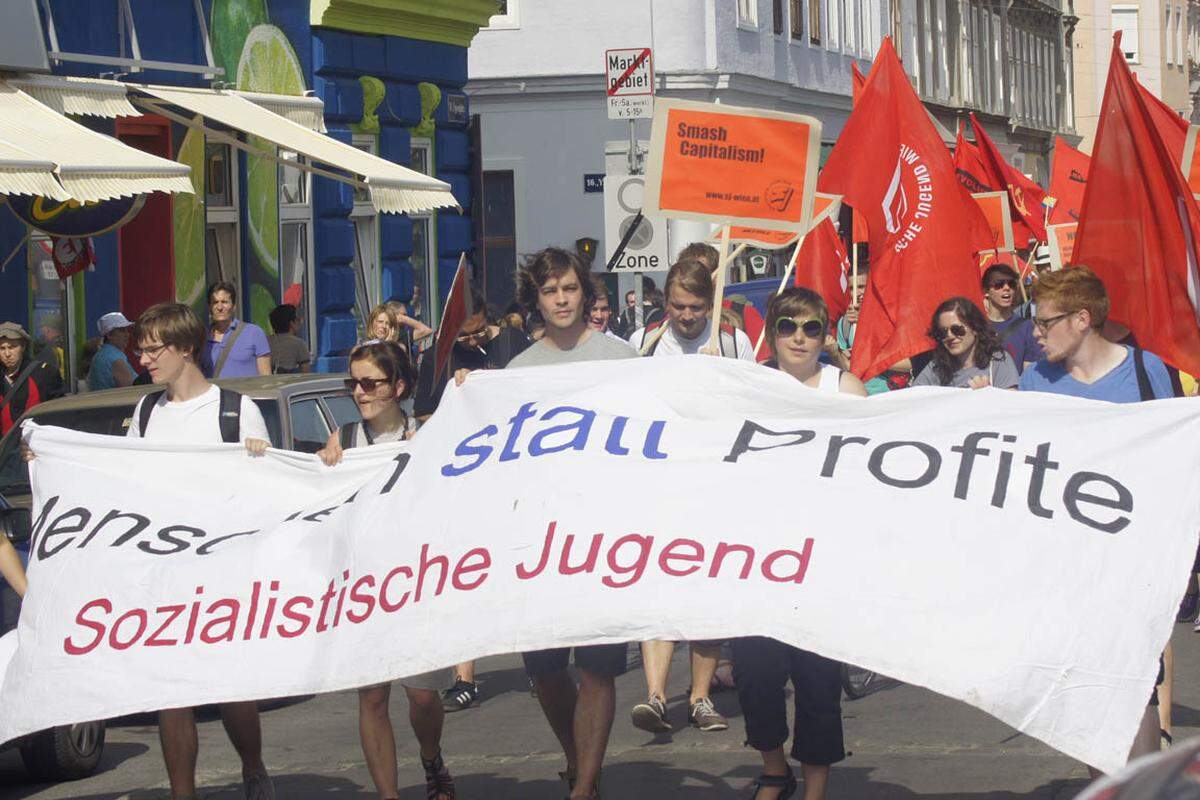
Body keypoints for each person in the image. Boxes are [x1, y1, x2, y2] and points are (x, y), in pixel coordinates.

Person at [23, 302, 276, 799]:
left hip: (221, 572)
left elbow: (267, 492)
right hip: (163, 571)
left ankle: (253, 768)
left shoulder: (233, 410)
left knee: (230, 692)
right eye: (140, 349)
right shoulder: (145, 411)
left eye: (153, 348)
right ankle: (183, 792)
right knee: (169, 692)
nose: (144, 359)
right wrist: (52, 458)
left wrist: (257, 463)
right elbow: (124, 481)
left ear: (185, 347)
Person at [1018, 265, 1172, 765]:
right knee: (1088, 696)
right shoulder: (1033, 383)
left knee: (1136, 688)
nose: (1035, 334)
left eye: (1044, 322)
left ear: (1082, 319)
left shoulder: (1152, 373)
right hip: (1066, 567)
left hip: (1135, 562)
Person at [504, 248, 635, 800]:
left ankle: (585, 783)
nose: (561, 300)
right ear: (535, 300)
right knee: (545, 671)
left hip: (605, 539)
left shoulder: (622, 359)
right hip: (542, 544)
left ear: (586, 294)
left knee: (599, 668)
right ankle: (576, 755)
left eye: (570, 289)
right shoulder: (514, 373)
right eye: (550, 291)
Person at [315, 341, 456, 800]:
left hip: (416, 585)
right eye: (353, 382)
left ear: (397, 387)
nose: (359, 391)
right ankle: (388, 794)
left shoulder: (427, 434)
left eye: (370, 382)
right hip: (362, 587)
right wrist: (319, 465)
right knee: (372, 696)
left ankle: (431, 757)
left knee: (421, 696)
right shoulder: (346, 440)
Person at [735, 286, 861, 800]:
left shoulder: (845, 386)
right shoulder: (747, 383)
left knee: (818, 681)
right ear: (771, 332)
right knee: (755, 673)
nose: (799, 338)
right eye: (787, 326)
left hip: (824, 556)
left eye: (811, 327)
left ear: (825, 333)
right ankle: (773, 767)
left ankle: (815, 787)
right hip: (759, 554)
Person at [410, 285, 529, 713]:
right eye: (465, 337)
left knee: (521, 568)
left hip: (513, 476)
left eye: (480, 333)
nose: (474, 343)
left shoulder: (513, 342)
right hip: (463, 481)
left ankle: (540, 657)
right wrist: (456, 398)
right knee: (463, 575)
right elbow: (424, 414)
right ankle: (465, 678)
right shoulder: (435, 359)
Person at [627, 259, 756, 359]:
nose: (687, 316)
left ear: (709, 304)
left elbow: (748, 392)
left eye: (696, 308)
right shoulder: (642, 342)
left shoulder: (735, 343)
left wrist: (722, 372)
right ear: (666, 302)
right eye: (679, 307)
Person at [828, 268, 914, 394]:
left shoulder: (894, 319)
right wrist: (835, 353)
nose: (857, 293)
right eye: (852, 288)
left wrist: (865, 325)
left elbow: (912, 364)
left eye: (862, 286)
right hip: (860, 396)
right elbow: (848, 368)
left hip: (893, 396)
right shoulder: (845, 323)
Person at [912, 297, 1019, 389]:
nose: (950, 336)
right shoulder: (936, 367)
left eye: (957, 330)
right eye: (943, 332)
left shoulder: (998, 360)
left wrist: (989, 397)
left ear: (975, 328)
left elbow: (1011, 405)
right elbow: (915, 397)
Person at [0, 322, 64, 436]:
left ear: (23, 347)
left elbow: (57, 413)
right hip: (4, 447)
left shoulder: (44, 373)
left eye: (12, 347)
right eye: (2, 348)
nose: (7, 354)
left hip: (35, 444)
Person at [202, 282, 271, 379]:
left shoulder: (254, 333)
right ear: (209, 307)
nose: (220, 307)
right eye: (215, 302)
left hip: (247, 393)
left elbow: (266, 377)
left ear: (234, 306)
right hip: (216, 394)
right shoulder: (201, 337)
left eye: (224, 302)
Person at [982, 264, 1041, 373]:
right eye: (998, 284)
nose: (1007, 288)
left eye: (1011, 284)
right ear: (986, 291)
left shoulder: (1027, 327)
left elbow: (1029, 374)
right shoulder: (977, 327)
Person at [88, 312, 136, 391]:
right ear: (109, 335)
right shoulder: (114, 358)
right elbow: (131, 390)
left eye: (126, 330)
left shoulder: (102, 354)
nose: (127, 334)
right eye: (121, 331)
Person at [267, 305, 311, 374]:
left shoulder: (266, 341)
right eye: (298, 319)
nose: (301, 322)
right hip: (287, 380)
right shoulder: (299, 343)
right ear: (292, 323)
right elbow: (305, 372)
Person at [588, 276, 632, 347]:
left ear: (610, 311)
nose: (599, 316)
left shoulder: (623, 347)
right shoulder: (568, 347)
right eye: (593, 309)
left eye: (604, 309)